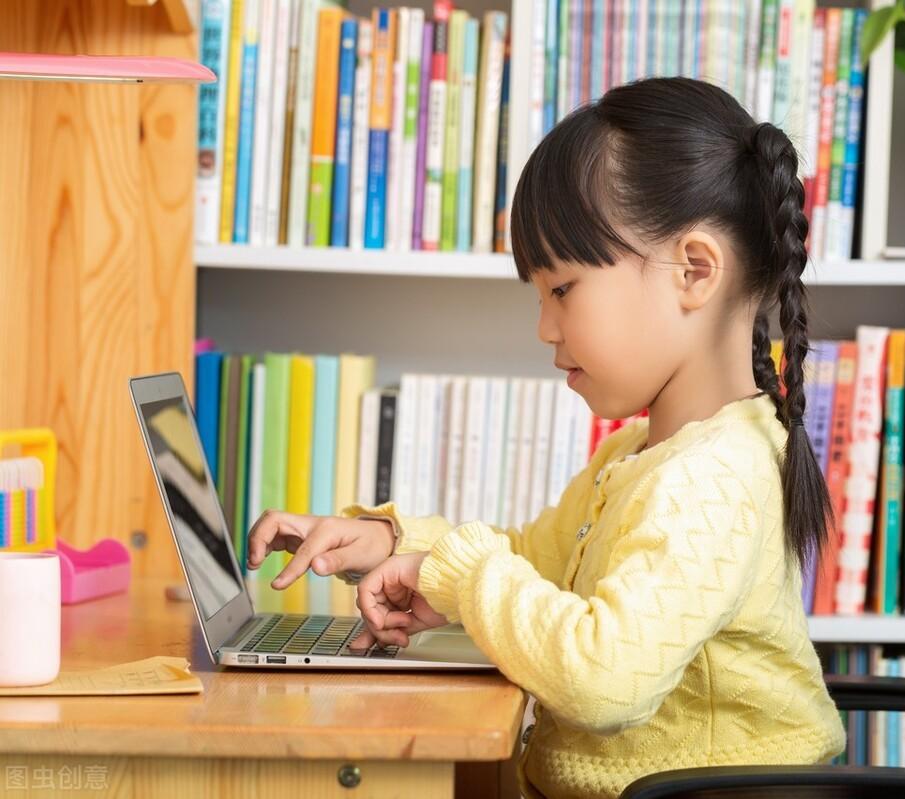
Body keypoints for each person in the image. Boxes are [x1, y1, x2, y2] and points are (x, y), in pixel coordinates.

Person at [247, 76, 846, 799]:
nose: (544, 327)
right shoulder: (638, 456)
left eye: (562, 289)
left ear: (693, 270)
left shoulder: (714, 478)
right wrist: (395, 543)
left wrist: (465, 578)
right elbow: (533, 561)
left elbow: (605, 679)